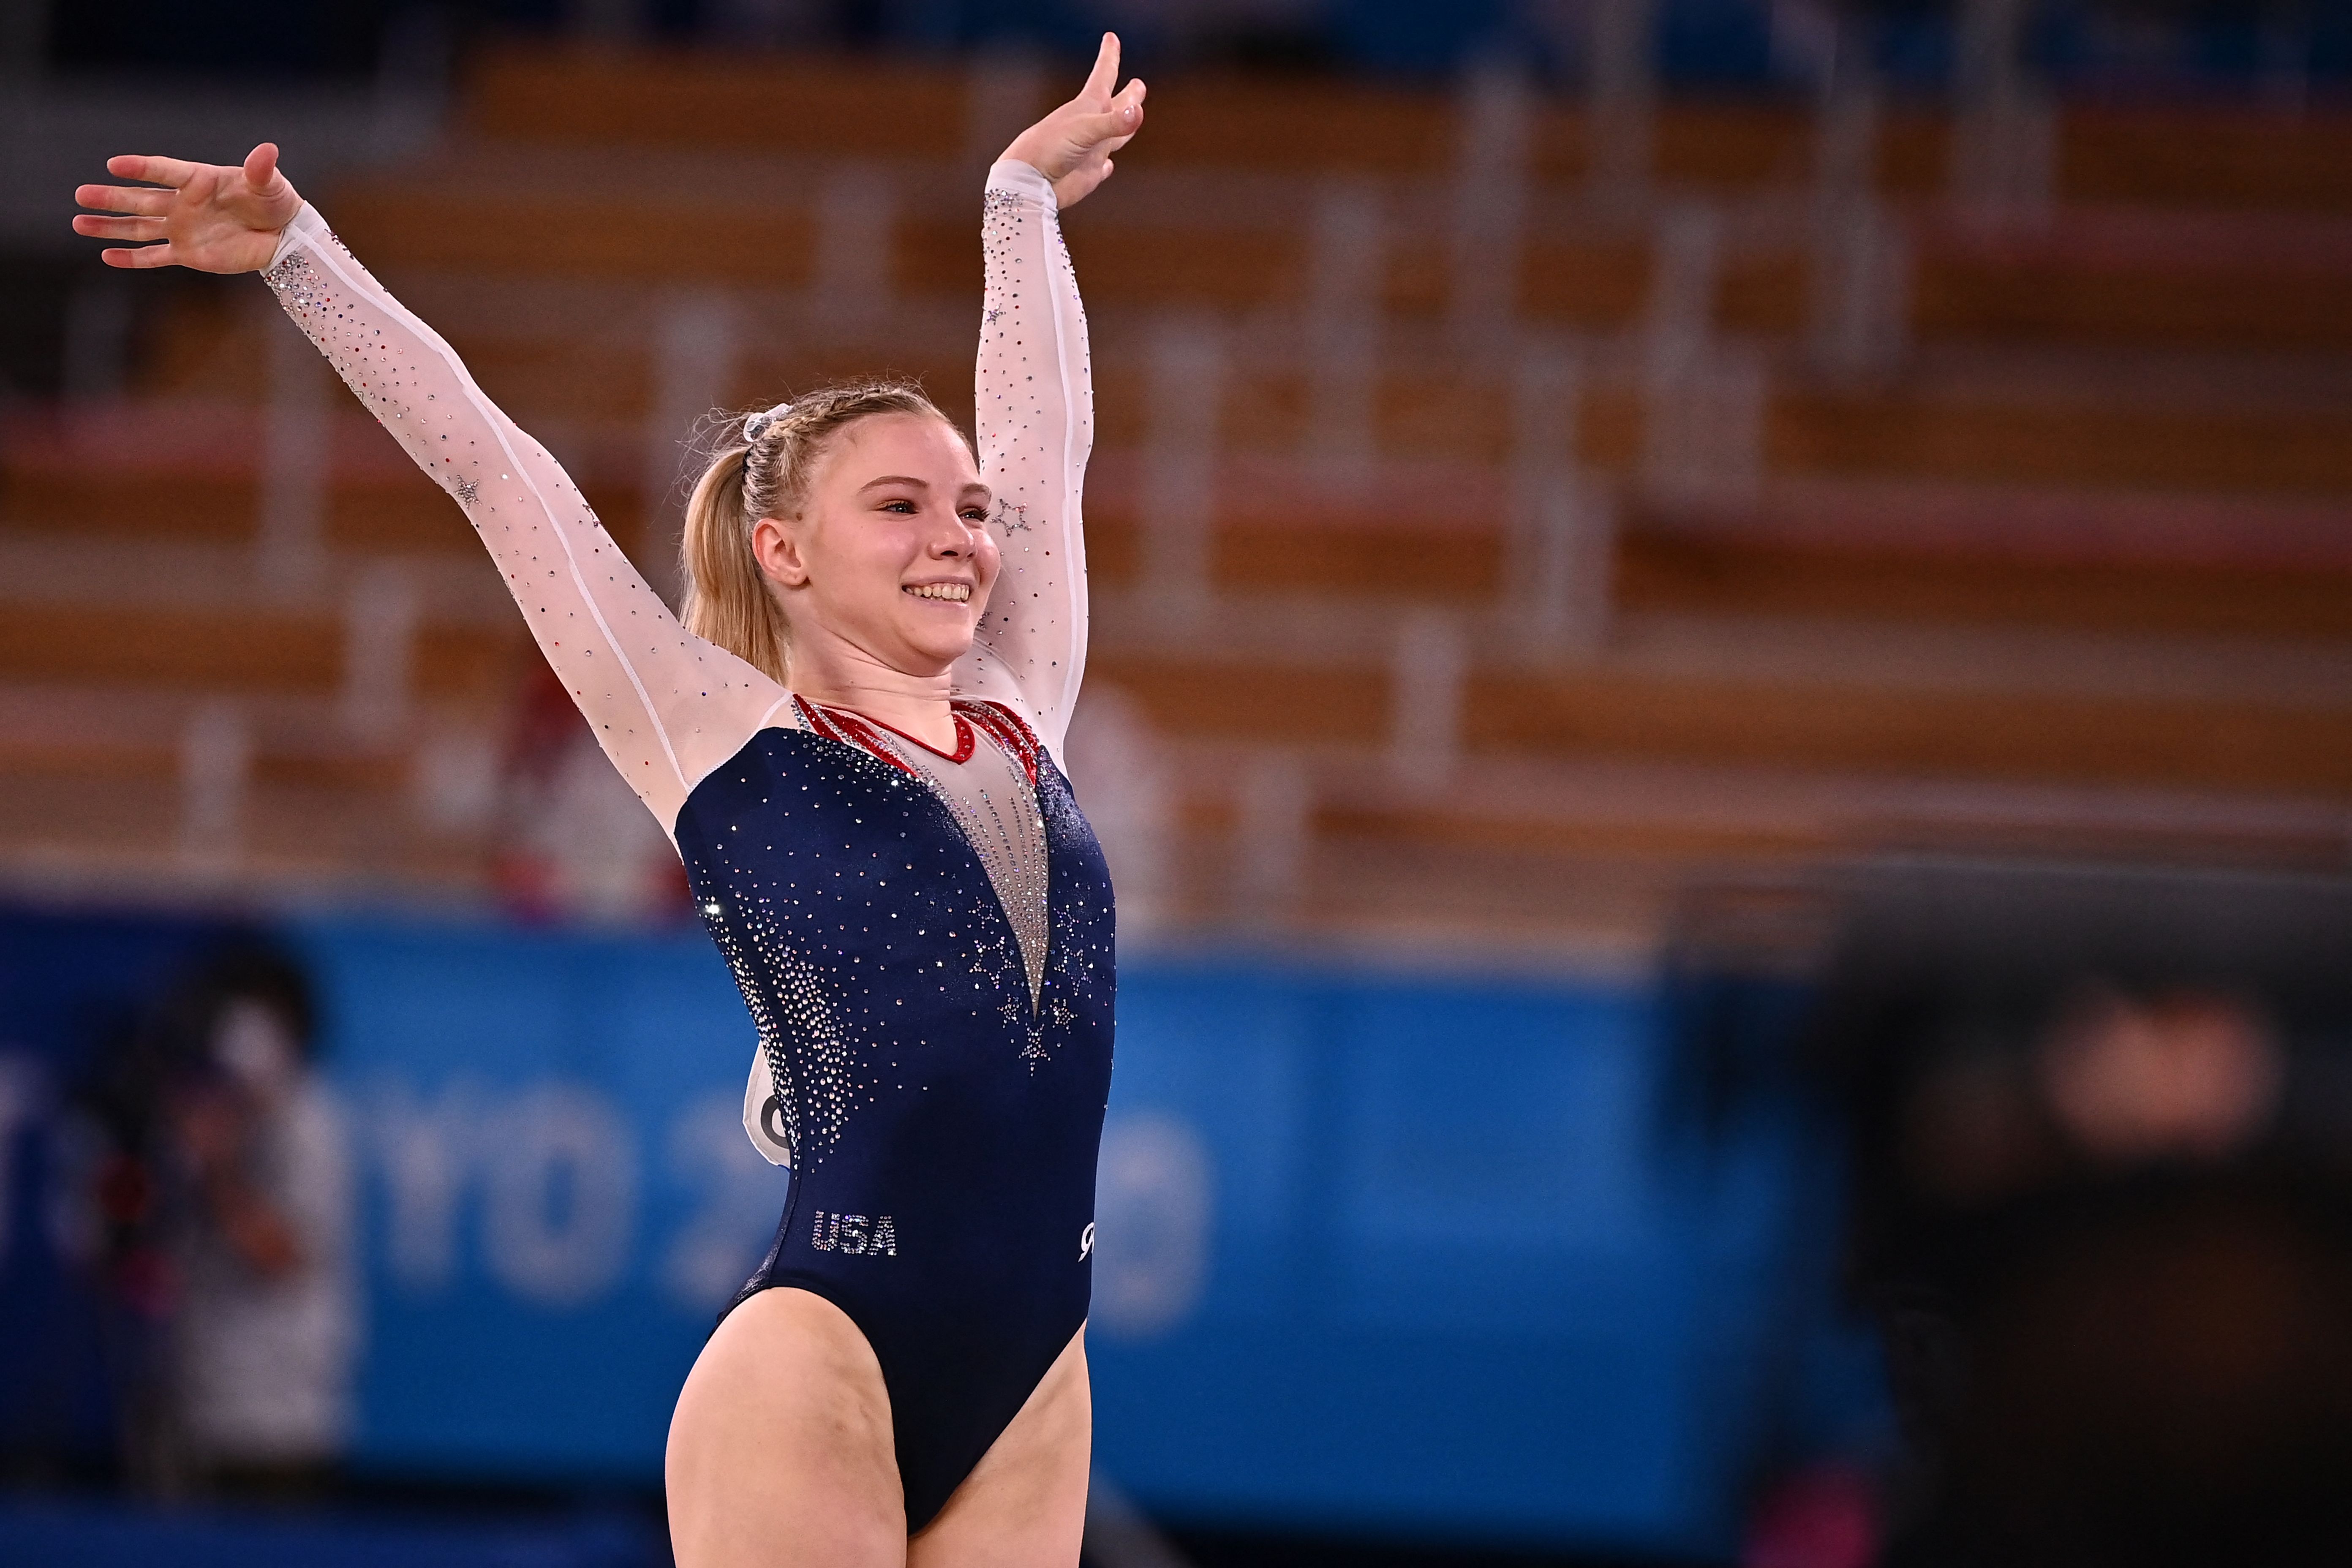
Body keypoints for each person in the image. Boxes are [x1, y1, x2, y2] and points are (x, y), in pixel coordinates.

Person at [74, 35, 1146, 1567]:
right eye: (900, 505)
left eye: (968, 509)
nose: (961, 536)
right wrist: (301, 258)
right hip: (823, 1354)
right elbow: (498, 476)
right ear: (784, 552)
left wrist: (1017, 208)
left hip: (1043, 1374)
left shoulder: (1023, 702)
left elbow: (1050, 445)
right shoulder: (720, 736)